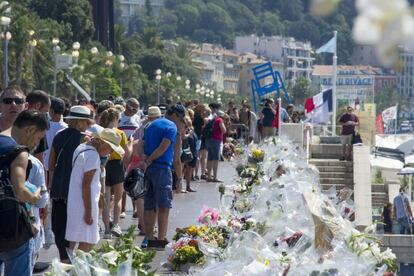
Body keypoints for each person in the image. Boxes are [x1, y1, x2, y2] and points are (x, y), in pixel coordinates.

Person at [0, 110, 48, 276]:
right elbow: (20, 191)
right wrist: (35, 197)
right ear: (30, 130)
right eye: (39, 137)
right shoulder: (19, 152)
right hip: (11, 228)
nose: (36, 143)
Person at [66, 129, 124, 253]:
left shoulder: (82, 147)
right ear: (103, 143)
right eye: (111, 148)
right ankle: (78, 269)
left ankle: (70, 266)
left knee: (74, 240)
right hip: (85, 203)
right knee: (88, 241)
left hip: (76, 200)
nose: (111, 152)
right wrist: (88, 211)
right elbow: (86, 185)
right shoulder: (93, 155)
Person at [48, 106, 94, 262]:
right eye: (87, 122)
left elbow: (51, 163)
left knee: (59, 223)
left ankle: (63, 256)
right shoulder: (86, 139)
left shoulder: (58, 136)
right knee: (74, 223)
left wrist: (51, 185)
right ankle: (72, 259)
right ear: (81, 122)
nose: (88, 125)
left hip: (58, 187)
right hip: (75, 186)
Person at [140, 104, 186, 249]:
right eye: (181, 118)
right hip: (162, 168)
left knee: (149, 205)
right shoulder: (171, 127)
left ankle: (148, 238)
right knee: (164, 206)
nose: (181, 122)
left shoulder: (150, 125)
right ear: (175, 115)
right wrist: (179, 179)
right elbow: (165, 147)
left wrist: (145, 158)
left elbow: (140, 144)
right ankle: (160, 239)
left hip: (149, 169)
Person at [128, 106, 161, 234]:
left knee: (140, 198)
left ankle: (142, 224)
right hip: (151, 163)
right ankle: (153, 226)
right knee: (154, 197)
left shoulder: (139, 129)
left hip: (136, 164)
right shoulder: (158, 129)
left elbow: (134, 145)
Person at [99, 108, 130, 238]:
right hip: (117, 165)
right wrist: (126, 166)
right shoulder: (120, 133)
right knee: (118, 197)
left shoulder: (101, 132)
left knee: (105, 198)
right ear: (115, 119)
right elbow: (126, 152)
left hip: (104, 164)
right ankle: (116, 224)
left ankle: (106, 229)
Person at [26, 90, 51, 165]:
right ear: (37, 106)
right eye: (45, 112)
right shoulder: (39, 128)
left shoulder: (12, 122)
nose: (46, 116)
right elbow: (39, 158)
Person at [206, 110, 226, 182]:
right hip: (216, 140)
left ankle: (208, 176)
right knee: (216, 159)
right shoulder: (219, 120)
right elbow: (224, 130)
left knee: (210, 158)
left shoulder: (212, 120)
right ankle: (215, 177)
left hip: (209, 140)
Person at [182, 117, 197, 193]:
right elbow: (183, 137)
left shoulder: (191, 129)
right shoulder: (184, 129)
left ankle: (188, 186)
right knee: (185, 169)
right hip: (186, 151)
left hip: (193, 151)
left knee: (190, 169)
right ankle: (181, 186)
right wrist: (189, 134)